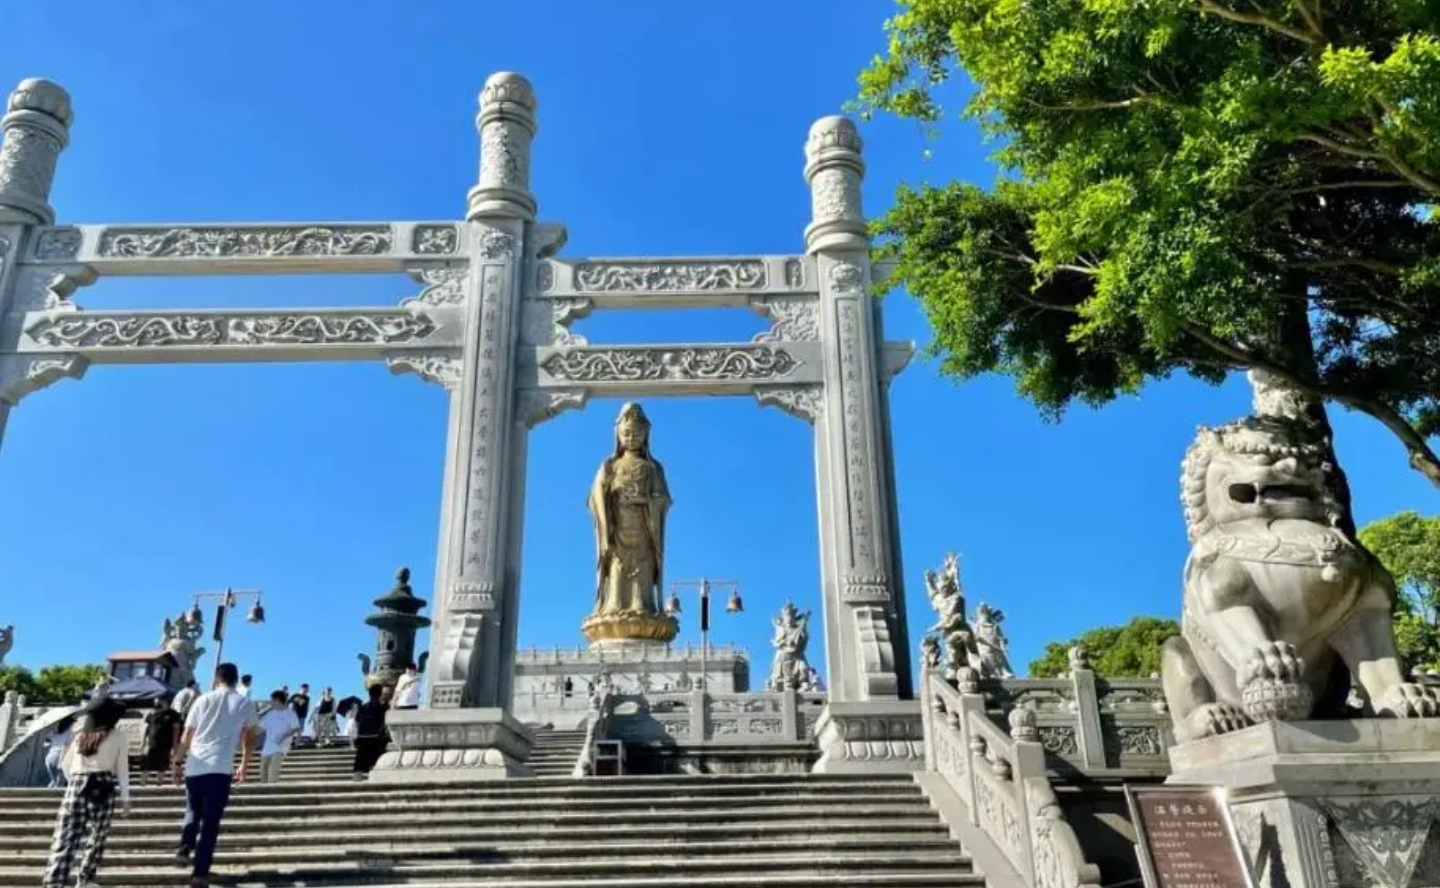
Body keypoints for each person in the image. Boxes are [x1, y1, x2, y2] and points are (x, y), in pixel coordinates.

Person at [172, 662, 257, 888]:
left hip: (195, 766)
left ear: (217, 678)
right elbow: (249, 737)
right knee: (211, 822)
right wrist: (244, 764)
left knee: (192, 809)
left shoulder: (202, 700)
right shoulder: (244, 703)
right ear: (236, 679)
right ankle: (199, 874)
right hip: (220, 768)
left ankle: (185, 844)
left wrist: (178, 761)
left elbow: (187, 734)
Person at [41, 698, 130, 888]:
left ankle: (54, 881)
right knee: (97, 837)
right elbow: (122, 769)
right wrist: (125, 799)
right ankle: (86, 879)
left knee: (65, 837)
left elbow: (65, 765)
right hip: (104, 784)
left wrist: (75, 782)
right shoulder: (118, 736)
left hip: (76, 783)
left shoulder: (81, 735)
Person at [257, 690, 301, 783]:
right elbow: (260, 729)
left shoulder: (290, 714)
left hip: (281, 745)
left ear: (278, 700)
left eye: (272, 700)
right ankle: (263, 790)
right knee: (263, 768)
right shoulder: (270, 714)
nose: (271, 703)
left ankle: (271, 791)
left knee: (274, 768)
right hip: (268, 745)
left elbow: (296, 728)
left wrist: (284, 736)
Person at [141, 698, 183, 787]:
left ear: (165, 702)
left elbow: (176, 729)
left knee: (162, 765)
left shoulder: (173, 714)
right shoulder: (152, 713)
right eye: (156, 702)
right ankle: (143, 783)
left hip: (165, 744)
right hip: (151, 743)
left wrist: (175, 746)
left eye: (159, 701)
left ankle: (159, 783)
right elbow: (147, 728)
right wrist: (143, 742)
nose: (157, 704)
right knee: (146, 764)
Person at [350, 684, 389, 780]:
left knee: (360, 758)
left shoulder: (363, 707)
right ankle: (374, 775)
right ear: (380, 694)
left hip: (362, 736)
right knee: (376, 757)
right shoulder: (382, 707)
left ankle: (357, 775)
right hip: (375, 736)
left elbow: (357, 720)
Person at [44, 716, 76, 789]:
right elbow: (66, 748)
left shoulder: (53, 732)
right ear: (69, 724)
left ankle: (46, 794)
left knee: (54, 781)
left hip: (49, 757)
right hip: (59, 757)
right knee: (59, 784)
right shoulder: (70, 733)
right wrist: (61, 763)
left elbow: (45, 744)